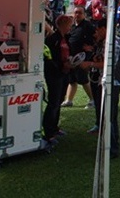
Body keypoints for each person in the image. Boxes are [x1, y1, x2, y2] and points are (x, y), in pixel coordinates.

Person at [79, 19, 120, 158]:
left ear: (105, 28)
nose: (96, 32)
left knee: (109, 116)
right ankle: (109, 143)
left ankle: (112, 149)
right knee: (107, 115)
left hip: (111, 84)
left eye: (98, 29)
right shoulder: (104, 42)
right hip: (102, 82)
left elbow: (108, 64)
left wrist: (90, 63)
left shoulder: (112, 43)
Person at [42, 14, 73, 143]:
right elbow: (49, 59)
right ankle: (48, 132)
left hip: (64, 74)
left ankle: (54, 127)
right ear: (62, 25)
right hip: (54, 74)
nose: (70, 27)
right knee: (53, 102)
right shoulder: (52, 39)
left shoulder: (65, 38)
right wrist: (61, 66)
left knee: (59, 101)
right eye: (69, 25)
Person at [63, 6, 95, 109]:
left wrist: (92, 47)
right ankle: (69, 100)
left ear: (84, 14)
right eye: (76, 12)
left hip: (82, 58)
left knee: (83, 79)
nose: (77, 15)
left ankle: (93, 100)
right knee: (72, 80)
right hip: (72, 57)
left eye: (80, 13)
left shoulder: (88, 25)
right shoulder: (72, 25)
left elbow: (97, 36)